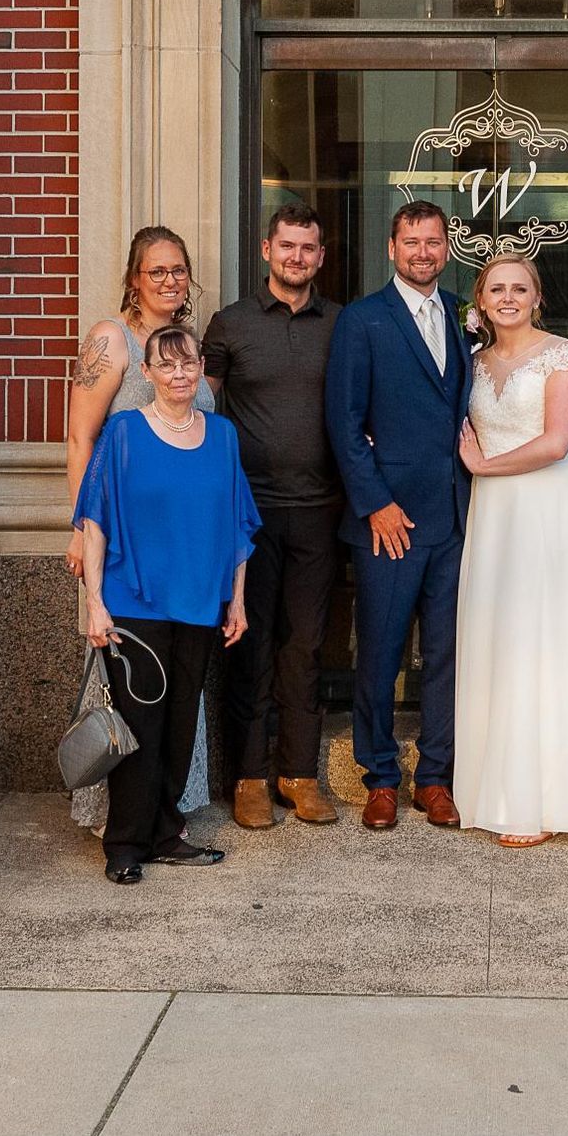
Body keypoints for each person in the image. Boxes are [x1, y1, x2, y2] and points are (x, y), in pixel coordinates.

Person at [452, 254, 568, 847]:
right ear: (481, 301)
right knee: (502, 638)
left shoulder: (563, 356)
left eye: (520, 288)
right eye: (497, 289)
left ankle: (552, 796)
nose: (508, 297)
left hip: (548, 507)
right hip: (496, 518)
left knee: (549, 640)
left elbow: (558, 442)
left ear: (538, 298)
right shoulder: (473, 362)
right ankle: (501, 789)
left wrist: (484, 465)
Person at [75, 325, 260, 884]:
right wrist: (95, 604)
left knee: (181, 725)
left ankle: (164, 832)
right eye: (167, 365)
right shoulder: (124, 432)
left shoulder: (223, 436)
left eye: (188, 365)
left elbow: (237, 527)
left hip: (200, 602)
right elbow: (95, 519)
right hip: (135, 603)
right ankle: (124, 844)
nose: (179, 374)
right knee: (141, 726)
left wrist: (238, 603)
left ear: (201, 370)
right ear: (146, 373)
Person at [323, 200, 472, 831]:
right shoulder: (363, 321)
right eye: (410, 241)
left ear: (446, 247)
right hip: (389, 522)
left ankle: (435, 778)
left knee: (445, 656)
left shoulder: (465, 315)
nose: (422, 252)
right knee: (380, 655)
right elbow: (344, 423)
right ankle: (381, 774)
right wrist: (376, 503)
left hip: (455, 517)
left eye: (433, 241)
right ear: (392, 248)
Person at [63, 226, 216, 834]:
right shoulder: (112, 340)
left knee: (175, 685)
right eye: (156, 271)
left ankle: (164, 810)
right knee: (125, 681)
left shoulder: (186, 346)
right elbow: (81, 437)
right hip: (120, 540)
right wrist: (80, 527)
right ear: (133, 279)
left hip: (184, 548)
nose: (170, 281)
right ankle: (117, 817)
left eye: (178, 270)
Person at [202, 202, 342, 828]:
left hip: (320, 511)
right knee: (249, 645)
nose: (296, 258)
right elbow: (196, 412)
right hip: (248, 515)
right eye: (287, 246)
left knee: (306, 647)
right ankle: (250, 777)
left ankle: (300, 773)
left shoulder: (342, 324)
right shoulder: (228, 325)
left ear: (320, 255)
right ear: (266, 250)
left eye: (307, 248)